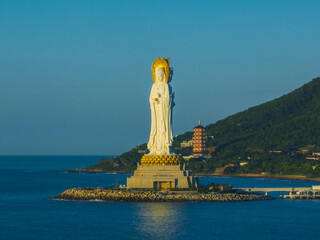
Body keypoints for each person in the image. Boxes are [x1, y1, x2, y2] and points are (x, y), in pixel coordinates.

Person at [147, 57, 174, 155]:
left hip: (163, 112)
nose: (159, 77)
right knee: (155, 129)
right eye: (157, 75)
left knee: (163, 129)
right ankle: (154, 148)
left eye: (160, 75)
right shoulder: (154, 86)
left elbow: (168, 99)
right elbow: (150, 98)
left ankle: (165, 147)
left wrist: (161, 99)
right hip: (156, 111)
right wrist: (154, 99)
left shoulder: (166, 86)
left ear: (164, 75)